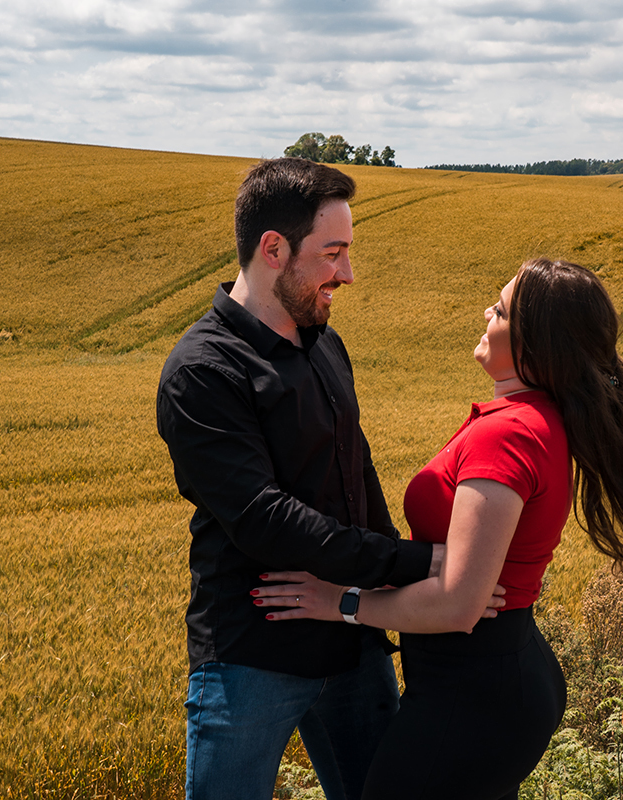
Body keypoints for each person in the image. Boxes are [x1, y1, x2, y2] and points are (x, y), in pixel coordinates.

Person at [253, 257, 623, 800]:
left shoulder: (508, 435)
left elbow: (459, 605)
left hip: (470, 694)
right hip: (495, 678)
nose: (488, 312)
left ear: (536, 344)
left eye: (503, 309)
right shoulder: (538, 418)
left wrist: (339, 602)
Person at [156, 158, 456, 800]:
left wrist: (391, 594)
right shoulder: (203, 370)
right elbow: (265, 520)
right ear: (273, 250)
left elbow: (357, 473)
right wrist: (412, 563)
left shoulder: (324, 344)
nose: (346, 274)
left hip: (353, 643)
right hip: (252, 656)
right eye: (332, 253)